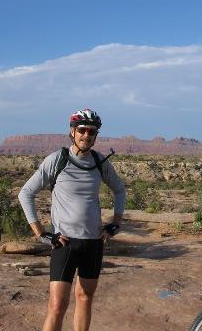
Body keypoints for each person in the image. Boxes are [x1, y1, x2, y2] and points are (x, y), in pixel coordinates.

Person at [18, 108, 126, 331]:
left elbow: (120, 190)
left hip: (93, 243)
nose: (86, 135)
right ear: (73, 132)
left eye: (91, 132)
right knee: (57, 305)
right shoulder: (57, 160)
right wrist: (40, 232)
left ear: (96, 135)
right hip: (64, 242)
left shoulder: (100, 162)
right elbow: (25, 193)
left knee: (85, 297)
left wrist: (116, 222)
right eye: (82, 130)